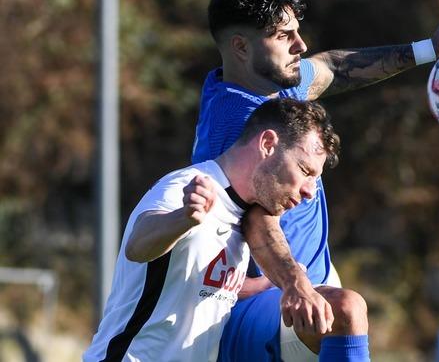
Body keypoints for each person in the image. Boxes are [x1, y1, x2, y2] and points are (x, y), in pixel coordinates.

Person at [192, 0, 439, 361]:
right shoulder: (239, 127)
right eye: (285, 36)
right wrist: (296, 284)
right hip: (256, 304)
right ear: (240, 47)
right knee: (346, 312)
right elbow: (257, 220)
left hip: (301, 287)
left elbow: (331, 67)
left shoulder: (267, 84)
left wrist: (430, 48)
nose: (300, 45)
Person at [83, 98, 340, 362]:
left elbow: (201, 285)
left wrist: (270, 285)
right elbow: (137, 246)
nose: (310, 191)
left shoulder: (241, 213)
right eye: (304, 170)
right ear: (267, 144)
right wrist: (181, 219)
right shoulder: (187, 187)